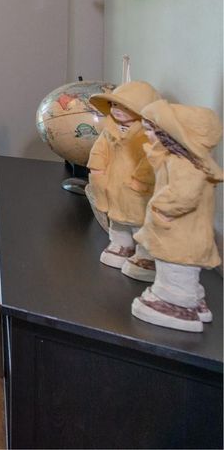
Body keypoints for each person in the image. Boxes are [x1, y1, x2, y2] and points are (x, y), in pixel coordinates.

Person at [131, 100, 222, 332]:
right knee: (178, 269)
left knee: (176, 270)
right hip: (180, 232)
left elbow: (184, 195)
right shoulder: (181, 160)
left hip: (179, 235)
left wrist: (159, 208)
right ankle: (194, 302)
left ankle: (176, 306)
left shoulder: (185, 164)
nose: (146, 134)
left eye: (151, 130)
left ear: (173, 135)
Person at [86, 81, 160, 276]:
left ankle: (145, 255)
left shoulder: (148, 135)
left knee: (140, 221)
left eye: (124, 106)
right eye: (114, 104)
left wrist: (141, 179)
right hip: (113, 184)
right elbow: (98, 151)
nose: (117, 110)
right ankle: (121, 245)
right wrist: (97, 168)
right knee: (117, 219)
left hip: (139, 189)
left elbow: (152, 158)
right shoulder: (109, 131)